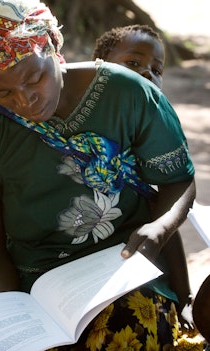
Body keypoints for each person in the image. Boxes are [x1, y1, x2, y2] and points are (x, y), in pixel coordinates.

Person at [0, 0, 202, 349]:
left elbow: (178, 180)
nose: (25, 101)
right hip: (31, 284)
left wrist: (159, 229)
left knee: (127, 334)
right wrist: (18, 323)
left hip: (123, 271)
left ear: (53, 46)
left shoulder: (127, 92)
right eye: (2, 92)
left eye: (35, 79)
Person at [92, 23, 197, 331]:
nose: (147, 73)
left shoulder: (152, 122)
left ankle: (184, 299)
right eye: (133, 63)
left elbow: (164, 210)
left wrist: (184, 296)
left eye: (156, 69)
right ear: (99, 64)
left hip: (129, 249)